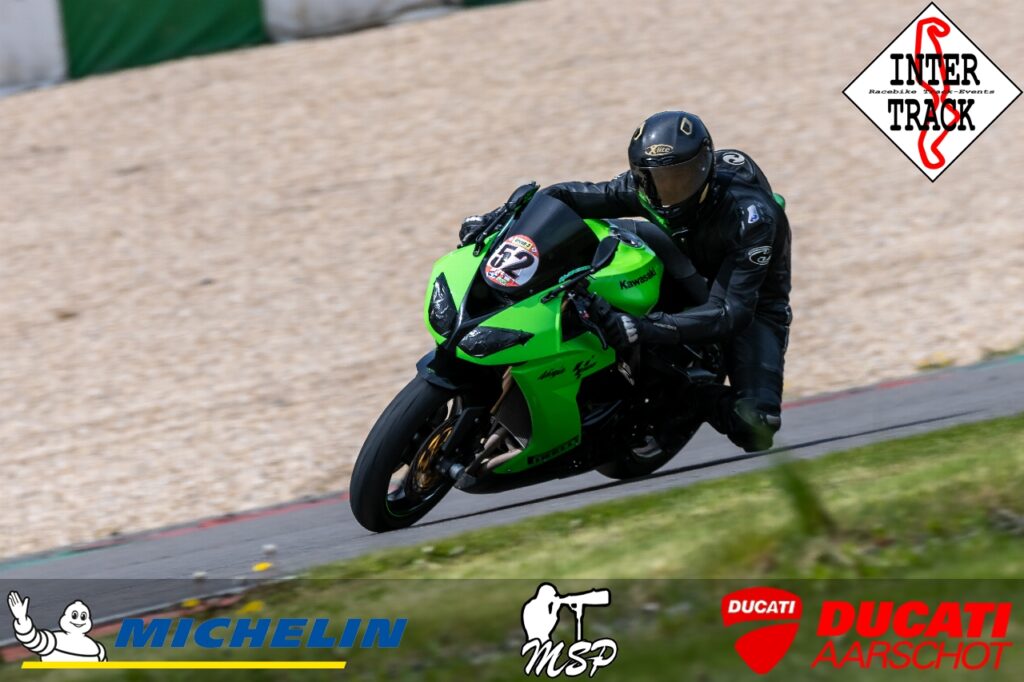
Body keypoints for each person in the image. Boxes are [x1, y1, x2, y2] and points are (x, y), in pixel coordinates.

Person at [461, 111, 792, 453]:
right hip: (674, 264)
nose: (669, 191)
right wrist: (498, 219)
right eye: (655, 178)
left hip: (748, 302)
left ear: (705, 167)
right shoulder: (643, 188)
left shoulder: (751, 217)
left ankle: (687, 392)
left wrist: (642, 328)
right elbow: (562, 197)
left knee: (756, 426)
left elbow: (729, 313)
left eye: (681, 179)